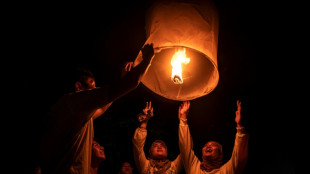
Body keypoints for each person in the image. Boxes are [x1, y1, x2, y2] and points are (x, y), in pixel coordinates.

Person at [39, 43, 155, 174]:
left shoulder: (74, 113)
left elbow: (102, 107)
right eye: (92, 87)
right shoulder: (73, 103)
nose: (95, 91)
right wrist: (148, 59)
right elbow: (128, 84)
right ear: (78, 87)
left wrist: (123, 80)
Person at [178, 100, 249, 174]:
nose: (208, 146)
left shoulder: (226, 171)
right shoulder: (193, 167)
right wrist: (183, 118)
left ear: (220, 153)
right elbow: (185, 146)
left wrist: (240, 126)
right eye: (205, 145)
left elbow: (238, 158)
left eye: (213, 145)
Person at [132, 101, 183, 174]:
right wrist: (144, 122)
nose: (159, 147)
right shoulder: (145, 165)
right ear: (150, 152)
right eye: (155, 146)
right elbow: (138, 145)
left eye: (163, 145)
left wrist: (183, 120)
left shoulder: (174, 167)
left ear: (167, 152)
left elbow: (186, 148)